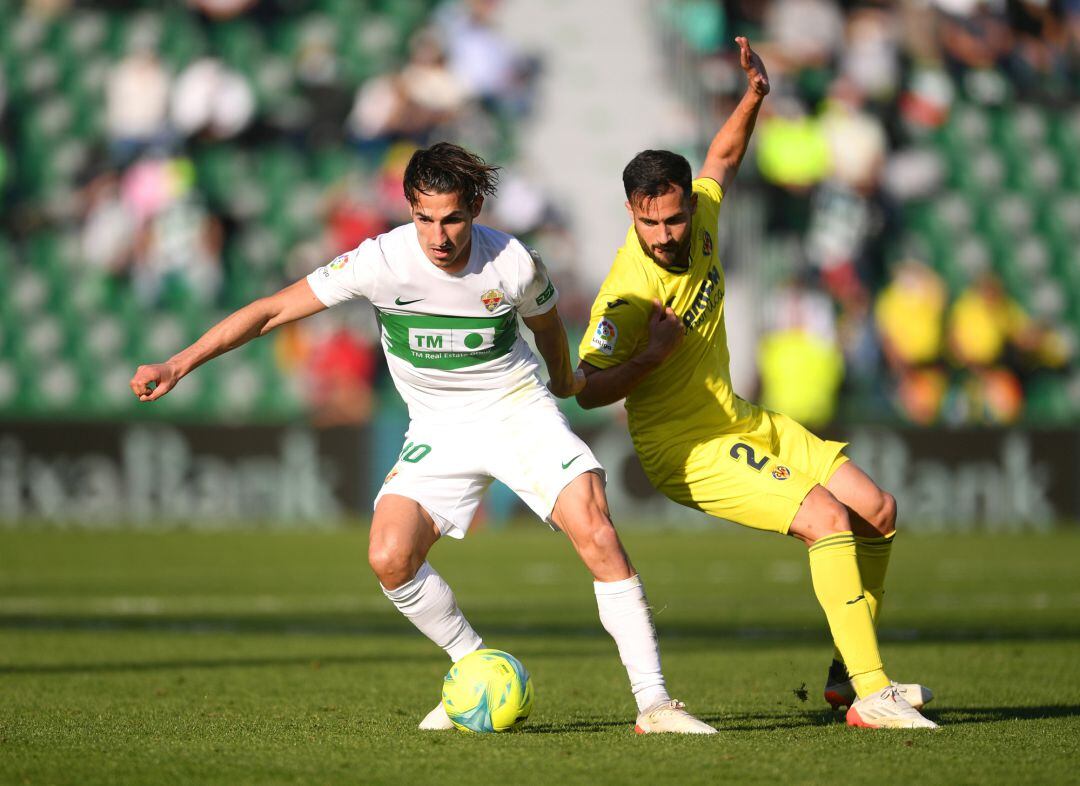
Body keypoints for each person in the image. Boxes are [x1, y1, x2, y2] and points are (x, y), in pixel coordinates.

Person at [129, 142, 714, 735]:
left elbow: (549, 337)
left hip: (516, 408)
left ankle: (655, 704)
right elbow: (271, 312)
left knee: (596, 530)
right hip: (438, 425)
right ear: (409, 207)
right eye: (424, 217)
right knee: (389, 557)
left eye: (452, 218)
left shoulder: (515, 263)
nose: (438, 236)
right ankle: (474, 664)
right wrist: (179, 364)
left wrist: (567, 385)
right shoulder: (378, 261)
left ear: (476, 208)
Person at [575, 39, 937, 730]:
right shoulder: (625, 296)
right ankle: (872, 693)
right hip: (685, 447)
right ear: (631, 213)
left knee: (875, 510)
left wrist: (755, 96)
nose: (663, 233)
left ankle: (845, 677)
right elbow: (586, 388)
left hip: (737, 418)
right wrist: (648, 357)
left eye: (673, 217)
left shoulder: (704, 212)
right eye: (647, 221)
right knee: (826, 520)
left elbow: (723, 159)